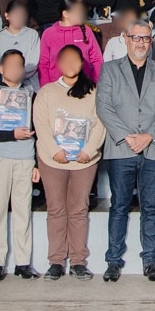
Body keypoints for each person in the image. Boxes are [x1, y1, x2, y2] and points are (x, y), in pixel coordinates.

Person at [96, 20, 155, 282]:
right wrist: (128, 137)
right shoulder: (110, 70)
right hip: (122, 149)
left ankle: (151, 261)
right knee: (119, 206)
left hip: (152, 149)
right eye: (136, 38)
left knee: (150, 207)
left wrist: (149, 136)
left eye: (146, 39)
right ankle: (113, 261)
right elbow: (104, 107)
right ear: (126, 39)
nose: (141, 43)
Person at [31, 44, 104, 279]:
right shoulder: (47, 92)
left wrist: (89, 150)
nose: (71, 65)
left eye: (76, 60)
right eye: (66, 60)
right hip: (53, 161)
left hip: (84, 161)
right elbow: (40, 125)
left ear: (82, 64)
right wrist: (54, 151)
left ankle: (78, 261)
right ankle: (56, 261)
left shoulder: (93, 91)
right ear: (58, 64)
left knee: (79, 210)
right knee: (56, 210)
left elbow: (100, 123)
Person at [40, 0, 103, 86]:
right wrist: (45, 88)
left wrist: (95, 84)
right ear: (65, 14)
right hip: (56, 88)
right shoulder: (49, 33)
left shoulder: (87, 31)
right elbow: (43, 63)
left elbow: (97, 60)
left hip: (83, 87)